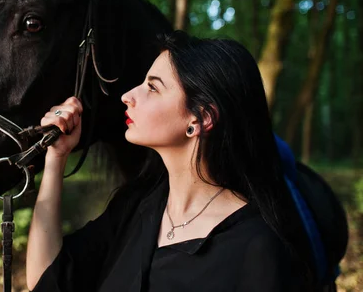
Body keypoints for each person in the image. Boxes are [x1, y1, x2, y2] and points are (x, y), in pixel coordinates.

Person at [25, 31, 313, 291]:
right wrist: (56, 157)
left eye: (153, 88)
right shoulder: (137, 206)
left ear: (200, 118)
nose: (127, 96)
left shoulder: (258, 247)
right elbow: (46, 281)